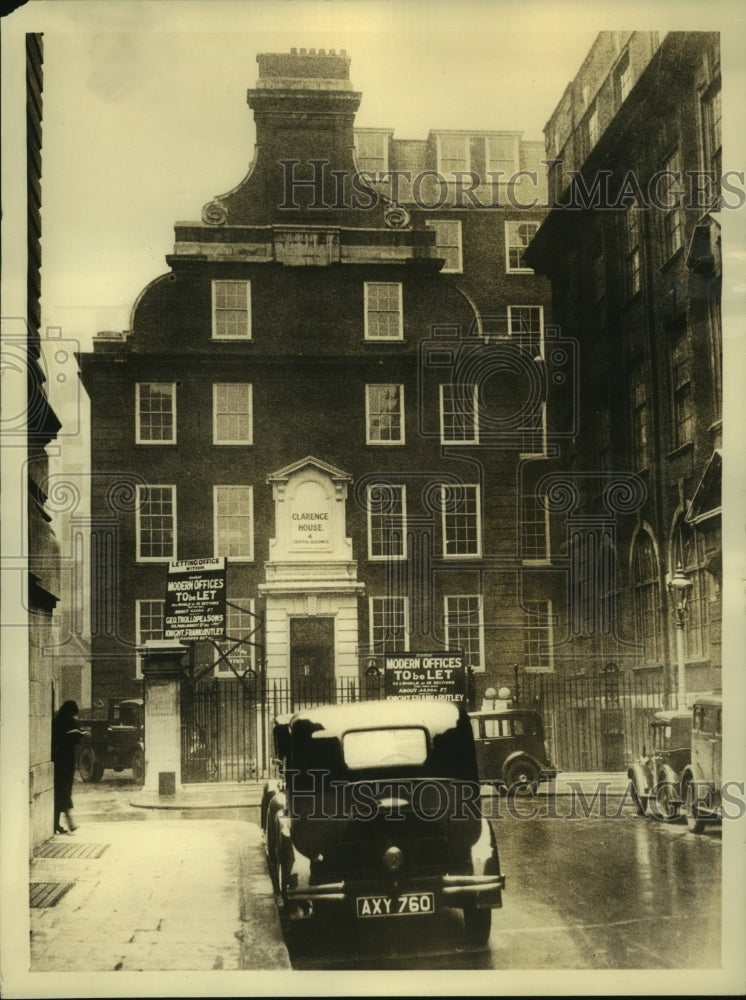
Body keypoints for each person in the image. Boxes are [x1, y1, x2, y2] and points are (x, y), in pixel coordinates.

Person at [52, 700, 84, 834]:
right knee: (65, 791)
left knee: (59, 792)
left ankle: (56, 824)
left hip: (58, 760)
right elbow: (75, 739)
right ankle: (69, 821)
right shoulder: (70, 722)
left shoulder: (55, 721)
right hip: (67, 761)